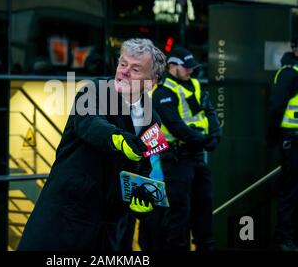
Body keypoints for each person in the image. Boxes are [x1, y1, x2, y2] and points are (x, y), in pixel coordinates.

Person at [17, 38, 166, 250]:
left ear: (151, 82)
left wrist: (141, 195)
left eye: (135, 69)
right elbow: (90, 123)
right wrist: (117, 139)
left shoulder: (153, 119)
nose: (124, 71)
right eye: (122, 64)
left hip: (108, 225)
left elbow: (145, 167)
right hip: (67, 214)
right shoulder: (94, 90)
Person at [148, 47, 221, 251]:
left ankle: (205, 246)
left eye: (192, 67)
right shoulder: (163, 93)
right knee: (179, 210)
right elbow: (176, 126)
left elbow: (210, 112)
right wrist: (205, 141)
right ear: (172, 66)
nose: (190, 71)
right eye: (186, 67)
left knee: (204, 205)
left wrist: (215, 135)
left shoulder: (196, 86)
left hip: (197, 155)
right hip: (177, 158)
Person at [267, 36, 298, 251]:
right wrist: (273, 138)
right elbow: (276, 107)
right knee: (291, 190)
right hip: (293, 139)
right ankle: (284, 237)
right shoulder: (288, 73)